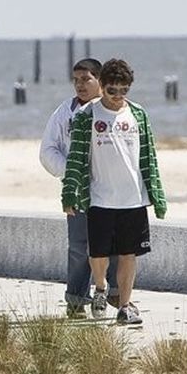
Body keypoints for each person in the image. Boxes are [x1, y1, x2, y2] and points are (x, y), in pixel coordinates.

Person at [61, 58, 167, 326]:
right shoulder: (87, 116)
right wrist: (69, 195)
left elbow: (149, 158)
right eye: (112, 90)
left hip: (133, 199)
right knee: (98, 253)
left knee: (128, 254)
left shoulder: (138, 114)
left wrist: (157, 196)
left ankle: (125, 305)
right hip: (99, 199)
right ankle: (99, 289)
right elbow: (75, 158)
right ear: (103, 87)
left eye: (124, 90)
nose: (118, 96)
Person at [40, 58, 118, 319]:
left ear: (100, 81)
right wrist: (71, 173)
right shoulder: (64, 112)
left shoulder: (111, 110)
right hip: (77, 189)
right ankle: (76, 299)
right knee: (78, 246)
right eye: (76, 80)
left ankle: (117, 293)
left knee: (115, 243)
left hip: (110, 189)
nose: (80, 85)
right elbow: (47, 150)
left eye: (87, 79)